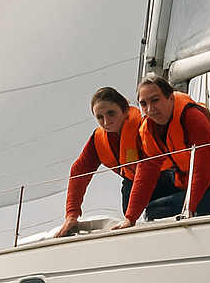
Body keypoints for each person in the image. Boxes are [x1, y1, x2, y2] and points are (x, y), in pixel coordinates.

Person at [116, 75, 210, 230]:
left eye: (155, 100)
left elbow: (203, 165)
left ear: (170, 98)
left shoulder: (192, 116)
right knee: (155, 210)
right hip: (207, 183)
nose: (150, 109)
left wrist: (190, 209)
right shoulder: (148, 130)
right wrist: (130, 218)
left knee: (189, 209)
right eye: (144, 104)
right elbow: (147, 170)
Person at [55, 87, 181, 238]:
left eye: (111, 113)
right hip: (134, 185)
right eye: (100, 117)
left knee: (156, 211)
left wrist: (131, 216)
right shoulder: (98, 140)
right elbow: (79, 171)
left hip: (169, 180)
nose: (106, 122)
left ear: (125, 109)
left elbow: (147, 169)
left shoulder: (146, 127)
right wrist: (71, 215)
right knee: (136, 210)